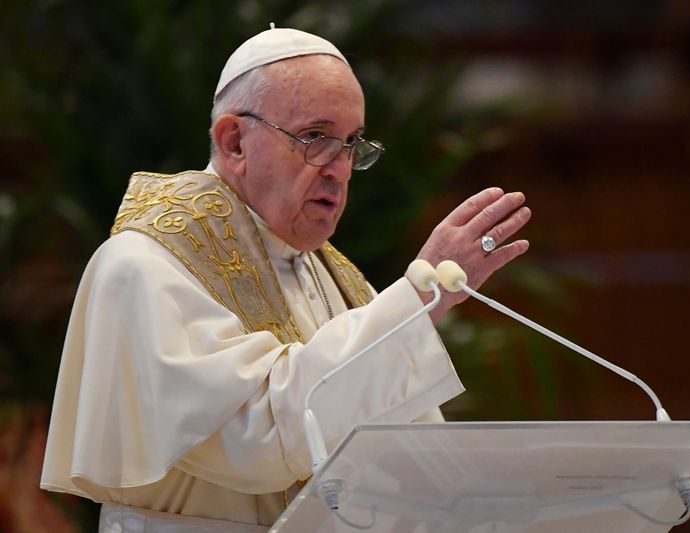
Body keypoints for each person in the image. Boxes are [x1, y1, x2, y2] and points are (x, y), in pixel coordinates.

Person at [40, 26, 531, 531]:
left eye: (352, 144)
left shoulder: (333, 277)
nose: (340, 169)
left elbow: (409, 463)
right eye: (316, 138)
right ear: (234, 141)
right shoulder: (144, 264)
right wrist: (420, 298)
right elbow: (257, 438)